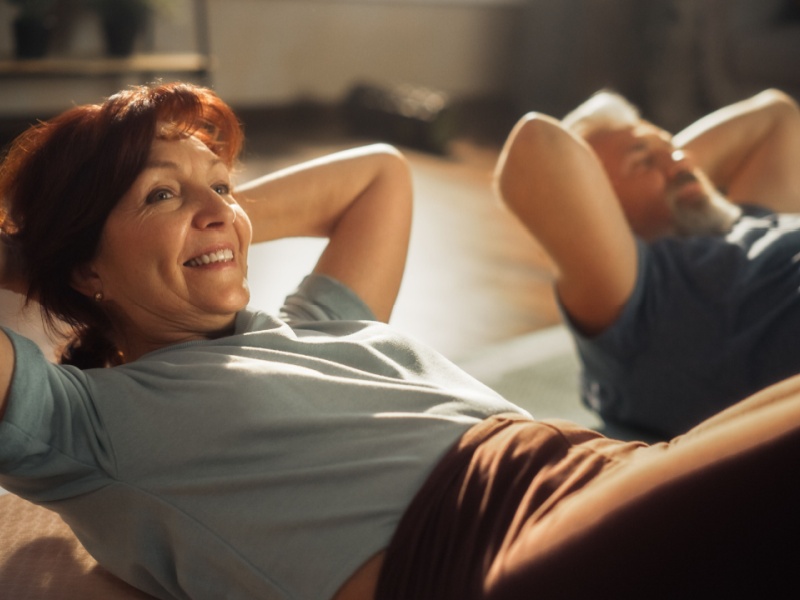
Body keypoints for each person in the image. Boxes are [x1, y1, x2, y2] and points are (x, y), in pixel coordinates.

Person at [1, 82, 799, 600]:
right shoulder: (84, 424)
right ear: (84, 270)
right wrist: (46, 258)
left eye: (223, 185)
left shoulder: (316, 322)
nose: (217, 207)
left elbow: (381, 174)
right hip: (494, 553)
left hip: (597, 469)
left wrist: (206, 226)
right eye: (160, 194)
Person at [495, 88, 800, 437]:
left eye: (673, 149)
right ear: (601, 205)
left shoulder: (743, 220)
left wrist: (664, 157)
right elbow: (538, 145)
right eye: (642, 161)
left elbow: (777, 114)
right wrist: (653, 175)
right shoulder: (643, 294)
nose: (682, 161)